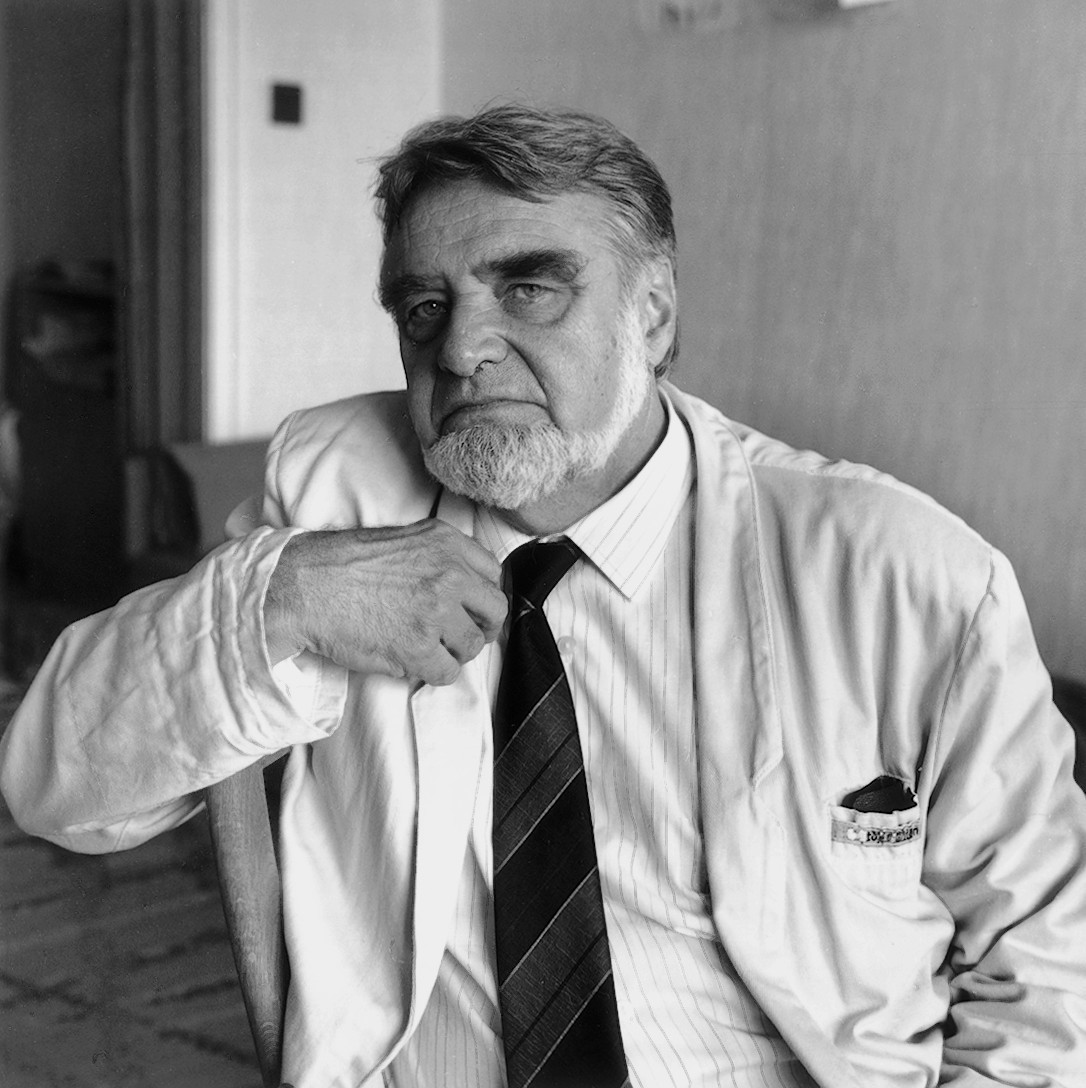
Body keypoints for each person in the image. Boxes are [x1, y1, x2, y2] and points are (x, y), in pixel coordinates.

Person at [2, 104, 1085, 1088]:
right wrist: (283, 594)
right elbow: (57, 784)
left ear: (651, 314)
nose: (463, 348)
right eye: (424, 307)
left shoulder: (903, 575)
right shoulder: (335, 495)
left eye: (529, 287)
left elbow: (1048, 972)